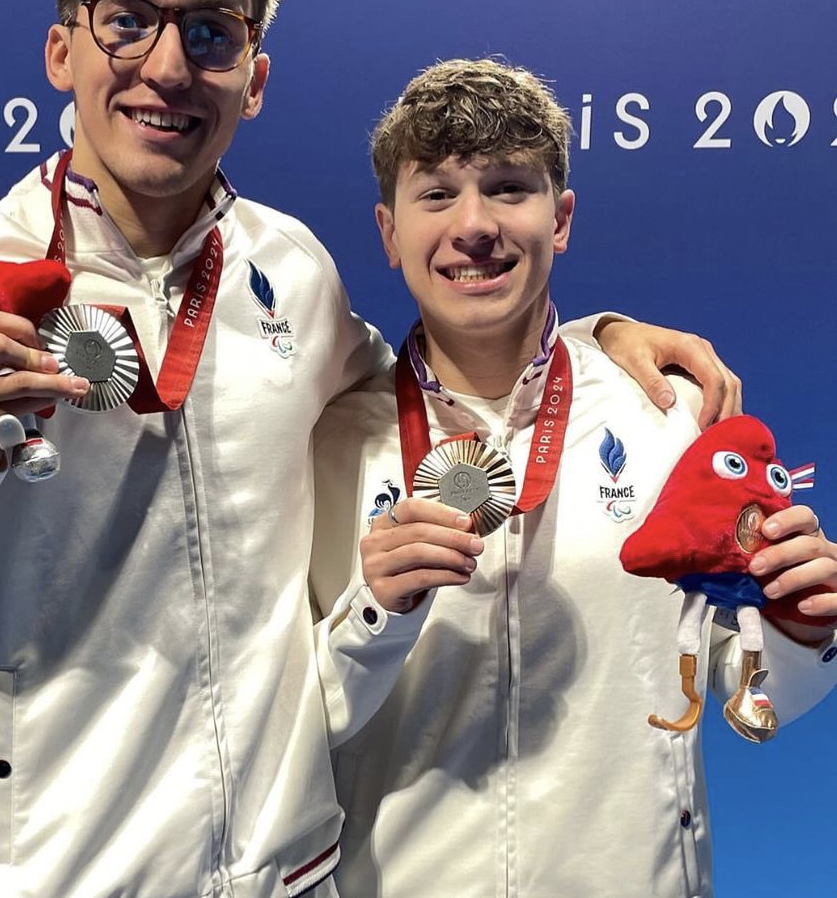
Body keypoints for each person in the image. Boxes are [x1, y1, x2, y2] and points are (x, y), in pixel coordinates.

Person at [0, 0, 738, 898]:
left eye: (211, 33)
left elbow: (449, 376)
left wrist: (592, 341)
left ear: (254, 78)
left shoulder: (293, 275)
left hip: (286, 876)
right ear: (60, 51)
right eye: (126, 20)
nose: (168, 67)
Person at [310, 58, 837, 898]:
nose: (473, 226)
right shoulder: (327, 441)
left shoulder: (670, 412)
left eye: (509, 189)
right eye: (437, 195)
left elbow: (754, 700)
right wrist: (374, 614)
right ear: (387, 231)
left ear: (561, 219)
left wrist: (803, 634)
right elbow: (282, 727)